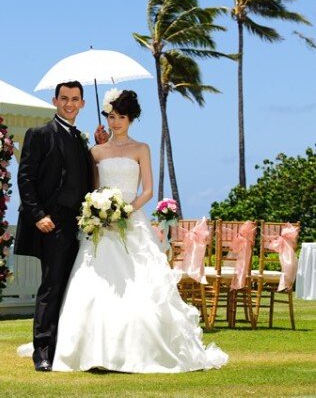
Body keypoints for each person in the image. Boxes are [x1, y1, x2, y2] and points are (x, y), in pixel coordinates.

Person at [50, 89, 228, 372]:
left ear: (131, 119)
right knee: (93, 285)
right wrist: (100, 210)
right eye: (111, 116)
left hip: (131, 221)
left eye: (121, 117)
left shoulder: (141, 148)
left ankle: (141, 350)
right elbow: (93, 188)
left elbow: (148, 189)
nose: (116, 122)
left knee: (140, 285)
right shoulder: (96, 151)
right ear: (105, 118)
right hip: (101, 227)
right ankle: (90, 351)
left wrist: (126, 210)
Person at [14, 80, 108, 372]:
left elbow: (87, 175)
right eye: (64, 98)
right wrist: (38, 214)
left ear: (82, 103)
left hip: (80, 225)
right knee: (52, 287)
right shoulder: (39, 134)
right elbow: (25, 178)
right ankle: (42, 352)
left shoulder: (80, 139)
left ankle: (68, 349)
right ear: (55, 100)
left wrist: (99, 146)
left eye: (75, 99)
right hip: (50, 224)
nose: (69, 103)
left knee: (74, 288)